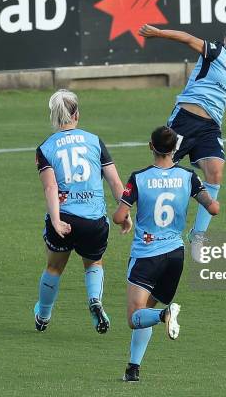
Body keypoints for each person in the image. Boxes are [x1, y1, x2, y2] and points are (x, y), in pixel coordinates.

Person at [139, 22, 226, 261]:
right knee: (162, 175)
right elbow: (188, 39)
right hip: (184, 120)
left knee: (216, 173)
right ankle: (146, 229)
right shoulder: (215, 52)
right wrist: (159, 33)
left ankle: (198, 236)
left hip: (210, 128)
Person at [113, 126, 219, 381]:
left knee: (134, 316)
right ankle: (133, 368)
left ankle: (165, 315)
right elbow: (213, 208)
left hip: (147, 254)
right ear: (175, 149)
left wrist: (125, 217)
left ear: (151, 146)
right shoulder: (188, 177)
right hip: (175, 256)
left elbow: (119, 216)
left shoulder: (139, 177)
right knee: (145, 310)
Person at [33, 89, 132, 334]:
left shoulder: (45, 147)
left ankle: (43, 315)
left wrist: (56, 221)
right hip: (94, 220)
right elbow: (115, 182)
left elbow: (50, 186)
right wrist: (124, 212)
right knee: (94, 263)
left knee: (54, 267)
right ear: (76, 113)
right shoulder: (94, 140)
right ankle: (95, 302)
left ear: (53, 116)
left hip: (64, 218)